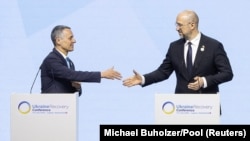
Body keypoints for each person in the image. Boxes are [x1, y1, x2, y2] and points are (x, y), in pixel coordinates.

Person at [123, 10, 233, 94]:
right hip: (181, 107)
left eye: (180, 25)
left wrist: (204, 81)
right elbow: (163, 72)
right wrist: (143, 79)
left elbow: (227, 73)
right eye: (176, 25)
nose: (177, 28)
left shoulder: (213, 46)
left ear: (192, 25)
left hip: (207, 108)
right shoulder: (174, 47)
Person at [40, 25, 122, 96]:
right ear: (58, 41)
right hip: (51, 110)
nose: (74, 41)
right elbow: (71, 75)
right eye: (70, 38)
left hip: (65, 110)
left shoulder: (69, 63)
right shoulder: (51, 60)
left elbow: (74, 89)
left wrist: (78, 88)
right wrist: (101, 74)